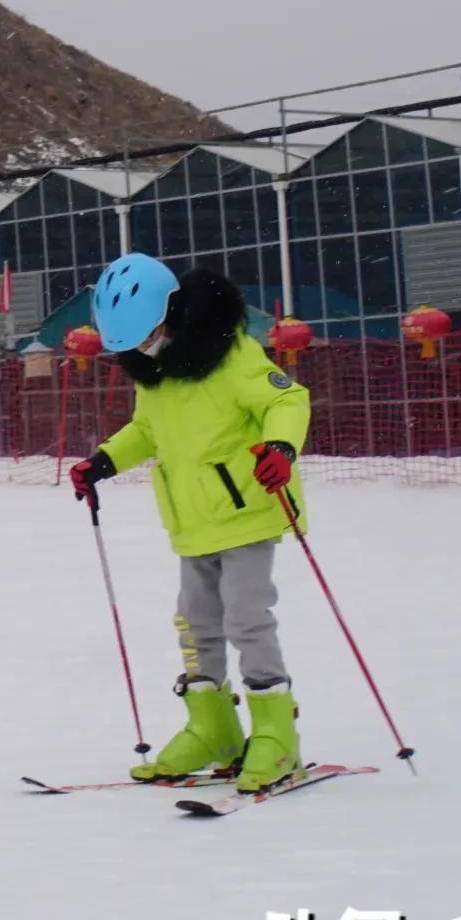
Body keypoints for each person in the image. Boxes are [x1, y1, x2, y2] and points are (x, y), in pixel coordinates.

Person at [67, 255, 308, 789]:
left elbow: (287, 400)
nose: (144, 347)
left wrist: (281, 446)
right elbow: (145, 431)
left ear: (173, 311)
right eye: (134, 342)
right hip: (192, 521)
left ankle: (275, 733)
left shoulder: (234, 357)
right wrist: (102, 461)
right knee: (196, 623)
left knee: (247, 618)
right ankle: (213, 727)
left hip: (248, 510)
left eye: (151, 333)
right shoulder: (156, 376)